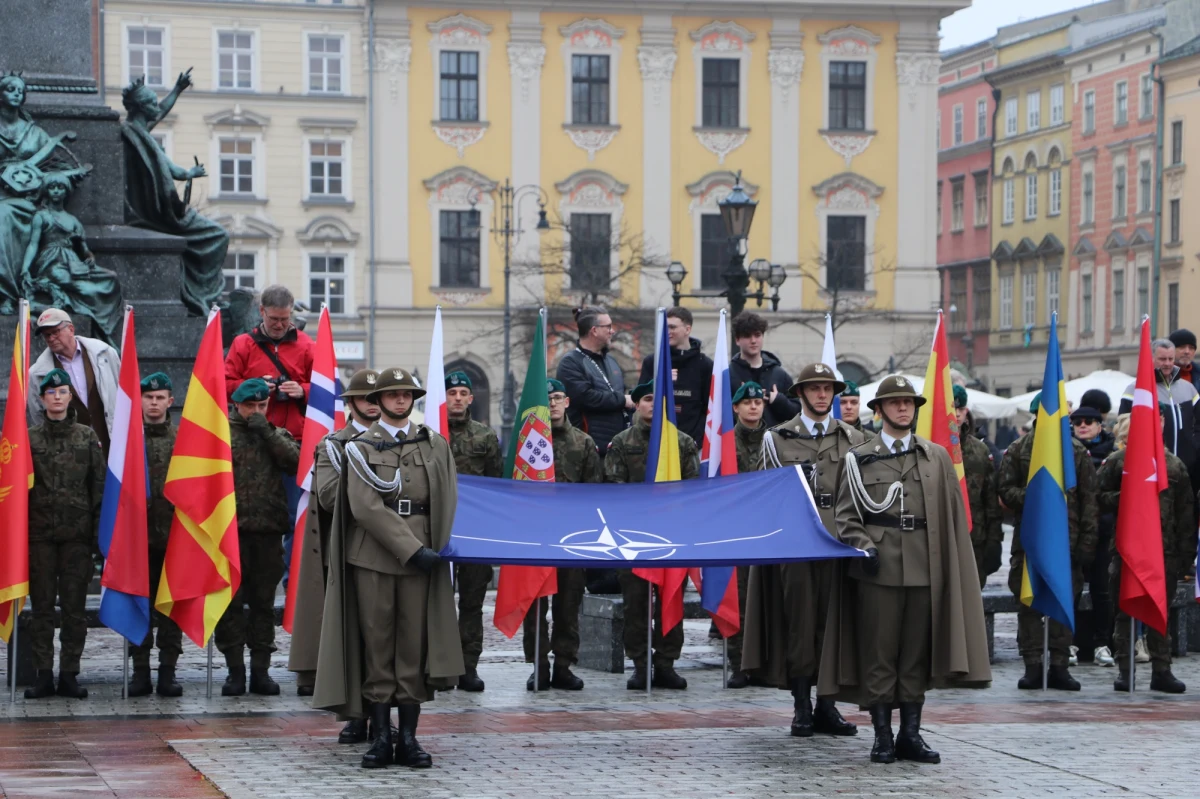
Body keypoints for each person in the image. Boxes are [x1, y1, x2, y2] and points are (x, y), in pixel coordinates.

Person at [820, 375, 991, 765]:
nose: (903, 408)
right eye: (894, 403)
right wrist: (864, 548)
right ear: (878, 410)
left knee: (915, 654)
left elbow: (950, 517)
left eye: (909, 403)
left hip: (924, 565)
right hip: (878, 570)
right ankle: (882, 736)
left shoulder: (936, 457)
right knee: (880, 654)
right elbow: (846, 516)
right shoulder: (857, 458)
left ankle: (910, 735)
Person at [313, 367, 463, 770]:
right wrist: (411, 549)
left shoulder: (433, 444)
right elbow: (364, 507)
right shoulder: (359, 448)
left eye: (407, 394)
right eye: (392, 395)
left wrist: (437, 549)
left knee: (413, 647)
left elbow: (448, 497)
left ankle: (410, 738)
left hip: (423, 558)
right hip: (374, 558)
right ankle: (381, 737)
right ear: (376, 402)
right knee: (378, 646)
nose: (401, 400)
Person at [742, 363, 864, 738]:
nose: (823, 395)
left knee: (834, 625)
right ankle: (801, 706)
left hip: (839, 544)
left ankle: (828, 704)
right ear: (800, 394)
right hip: (796, 545)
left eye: (828, 388)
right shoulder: (778, 439)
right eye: (815, 388)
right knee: (800, 622)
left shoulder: (854, 439)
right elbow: (767, 495)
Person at [289, 368, 378, 736]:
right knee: (353, 638)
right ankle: (357, 715)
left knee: (388, 640)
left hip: (393, 554)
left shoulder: (406, 443)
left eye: (379, 399)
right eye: (365, 400)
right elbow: (326, 496)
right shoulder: (333, 446)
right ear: (352, 404)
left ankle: (387, 717)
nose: (373, 406)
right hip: (350, 551)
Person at [998, 392, 1098, 691]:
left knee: (1063, 602)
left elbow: (1088, 500)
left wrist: (1087, 543)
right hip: (1030, 541)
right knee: (1028, 603)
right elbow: (1005, 489)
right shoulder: (1018, 449)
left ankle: (1059, 665)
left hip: (1067, 543)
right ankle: (1032, 664)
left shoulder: (1075, 452)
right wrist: (1035, 495)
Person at [605, 380, 700, 690]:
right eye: (647, 399)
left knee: (670, 600)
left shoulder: (683, 443)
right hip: (632, 538)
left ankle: (666, 663)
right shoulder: (620, 442)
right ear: (636, 403)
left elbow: (692, 488)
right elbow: (613, 487)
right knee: (636, 604)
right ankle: (640, 664)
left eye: (658, 400)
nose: (652, 405)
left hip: (671, 537)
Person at [1097, 406, 1195, 694]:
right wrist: (1127, 496)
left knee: (1158, 612)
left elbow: (1186, 516)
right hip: (1126, 550)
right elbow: (1098, 497)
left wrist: (1185, 557)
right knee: (1124, 611)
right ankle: (1125, 671)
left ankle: (1162, 671)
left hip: (1163, 553)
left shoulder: (1174, 466)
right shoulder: (1118, 461)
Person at [213, 378, 300, 696]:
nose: (256, 411)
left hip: (266, 532)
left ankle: (261, 670)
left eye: (262, 406)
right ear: (237, 405)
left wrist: (266, 429)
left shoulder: (275, 434)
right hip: (228, 534)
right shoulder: (220, 434)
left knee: (263, 605)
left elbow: (295, 461)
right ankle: (234, 669)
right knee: (230, 605)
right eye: (251, 406)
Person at [24, 369, 105, 700]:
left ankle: (70, 673)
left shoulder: (86, 437)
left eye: (62, 392)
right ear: (42, 399)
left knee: (74, 609)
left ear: (71, 397)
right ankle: (43, 674)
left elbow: (98, 487)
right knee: (41, 609)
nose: (57, 397)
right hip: (39, 536)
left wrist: (99, 535)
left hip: (76, 537)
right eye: (51, 393)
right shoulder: (28, 438)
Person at [120, 71, 228, 316]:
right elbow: (165, 167)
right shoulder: (131, 135)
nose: (155, 105)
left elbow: (169, 167)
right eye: (150, 101)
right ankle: (201, 291)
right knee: (218, 235)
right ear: (139, 108)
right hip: (160, 214)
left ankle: (199, 290)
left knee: (217, 236)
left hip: (165, 210)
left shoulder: (140, 134)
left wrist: (178, 89)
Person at [523, 378, 604, 691]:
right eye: (547, 399)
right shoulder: (526, 440)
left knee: (568, 606)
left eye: (557, 398)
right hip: (536, 537)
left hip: (572, 538)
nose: (552, 404)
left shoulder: (583, 443)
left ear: (567, 402)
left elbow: (593, 492)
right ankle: (538, 665)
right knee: (535, 608)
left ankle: (563, 665)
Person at [444, 370, 502, 692]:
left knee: (471, 602)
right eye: (452, 392)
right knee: (435, 602)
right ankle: (438, 667)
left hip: (474, 531)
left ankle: (468, 667)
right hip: (436, 531)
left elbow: (495, 484)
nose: (457, 397)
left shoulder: (485, 436)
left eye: (463, 392)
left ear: (471, 398)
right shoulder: (428, 433)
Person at [127, 372, 184, 697]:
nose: (153, 403)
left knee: (170, 609)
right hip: (137, 541)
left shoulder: (182, 440)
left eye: (159, 397)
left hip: (174, 540)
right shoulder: (128, 443)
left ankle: (167, 671)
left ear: (170, 402)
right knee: (138, 606)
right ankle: (140, 672)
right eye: (148, 398)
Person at [21, 173, 124, 344]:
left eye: (60, 188)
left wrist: (89, 257)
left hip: (74, 263)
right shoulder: (42, 216)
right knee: (84, 290)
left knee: (111, 277)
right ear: (46, 191)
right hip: (51, 262)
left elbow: (84, 249)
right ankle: (91, 313)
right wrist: (25, 268)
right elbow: (33, 244)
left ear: (66, 192)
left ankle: (106, 320)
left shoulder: (73, 221)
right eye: (52, 187)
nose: (55, 191)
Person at [224, 284, 315, 441]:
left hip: (294, 438)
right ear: (262, 311)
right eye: (273, 319)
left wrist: (302, 391)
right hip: (251, 436)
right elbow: (223, 386)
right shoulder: (242, 344)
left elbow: (327, 390)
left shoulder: (307, 345)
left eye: (285, 319)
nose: (279, 325)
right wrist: (254, 387)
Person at [723, 381, 767, 689]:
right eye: (747, 402)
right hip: (734, 532)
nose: (753, 406)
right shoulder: (723, 444)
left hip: (767, 531)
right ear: (736, 407)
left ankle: (764, 664)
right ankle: (738, 664)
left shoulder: (776, 441)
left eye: (759, 402)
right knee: (736, 599)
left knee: (766, 600)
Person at [1070, 390, 1118, 668]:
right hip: (1072, 533)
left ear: (1100, 425)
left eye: (1089, 421)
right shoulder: (1065, 453)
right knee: (1072, 589)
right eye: (1078, 422)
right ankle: (1071, 643)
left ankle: (1103, 644)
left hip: (1103, 532)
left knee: (1102, 590)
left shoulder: (1113, 454)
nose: (1084, 426)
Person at [29, 307, 119, 452]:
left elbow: (122, 391)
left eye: (56, 332)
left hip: (112, 445)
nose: (51, 338)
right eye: (47, 335)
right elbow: (39, 415)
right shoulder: (36, 373)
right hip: (70, 454)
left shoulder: (105, 354)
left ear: (71, 329)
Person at [1119, 339, 1200, 486]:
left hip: (1188, 468)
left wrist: (1195, 447)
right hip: (1152, 469)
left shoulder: (1189, 389)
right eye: (1162, 359)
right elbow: (1123, 428)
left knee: (1187, 508)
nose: (1168, 363)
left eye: (1170, 359)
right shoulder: (1136, 390)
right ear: (1151, 358)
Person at [556, 305, 631, 456]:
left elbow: (618, 392)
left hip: (616, 449)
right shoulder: (570, 363)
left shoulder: (611, 361)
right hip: (587, 451)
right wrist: (622, 400)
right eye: (608, 327)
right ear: (594, 330)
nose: (612, 331)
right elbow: (585, 397)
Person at [637, 307, 713, 445]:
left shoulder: (705, 365)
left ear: (687, 329)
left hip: (693, 445)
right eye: (665, 327)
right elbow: (641, 401)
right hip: (658, 444)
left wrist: (698, 438)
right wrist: (660, 383)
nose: (668, 332)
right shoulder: (653, 362)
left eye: (672, 327)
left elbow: (710, 408)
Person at [954, 385, 1003, 588]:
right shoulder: (926, 446)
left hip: (974, 539)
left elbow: (991, 500)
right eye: (951, 407)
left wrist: (994, 541)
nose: (956, 413)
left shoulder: (980, 450)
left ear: (966, 412)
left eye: (961, 408)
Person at [728, 311, 800, 428]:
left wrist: (778, 400)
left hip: (774, 442)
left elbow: (797, 414)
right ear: (737, 340)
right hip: (737, 443)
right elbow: (717, 414)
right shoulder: (728, 375)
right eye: (747, 336)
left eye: (757, 335)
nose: (753, 341)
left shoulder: (780, 374)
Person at [1169, 328, 1200, 394]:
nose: (1187, 351)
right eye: (1182, 347)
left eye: (1191, 348)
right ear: (1171, 350)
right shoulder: (1160, 374)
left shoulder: (1197, 374)